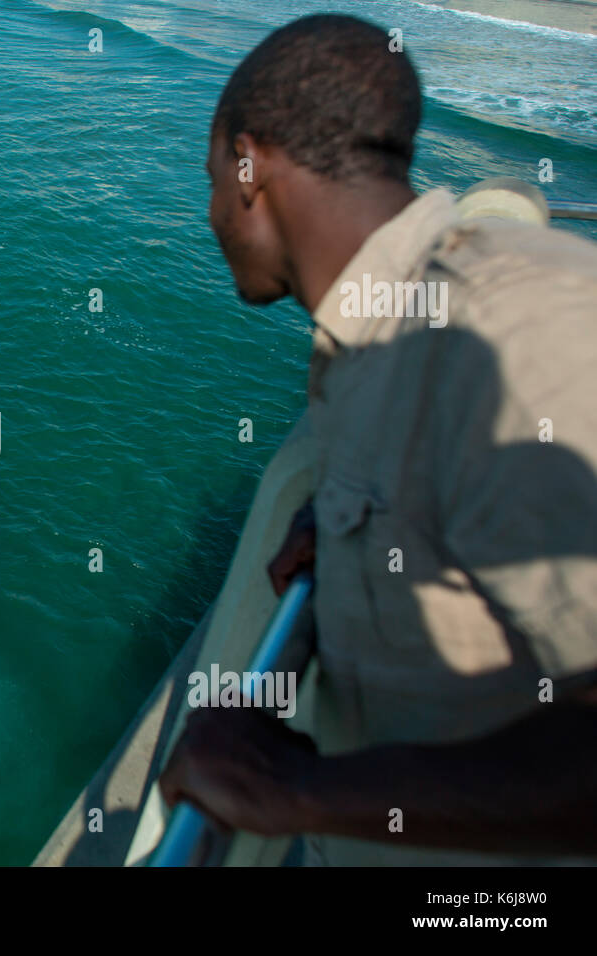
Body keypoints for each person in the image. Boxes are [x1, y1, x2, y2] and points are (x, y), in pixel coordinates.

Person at [159, 13, 597, 863]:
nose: (211, 214)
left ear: (251, 171)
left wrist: (292, 791)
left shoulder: (507, 331)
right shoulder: (384, 336)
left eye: (212, 179)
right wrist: (356, 525)